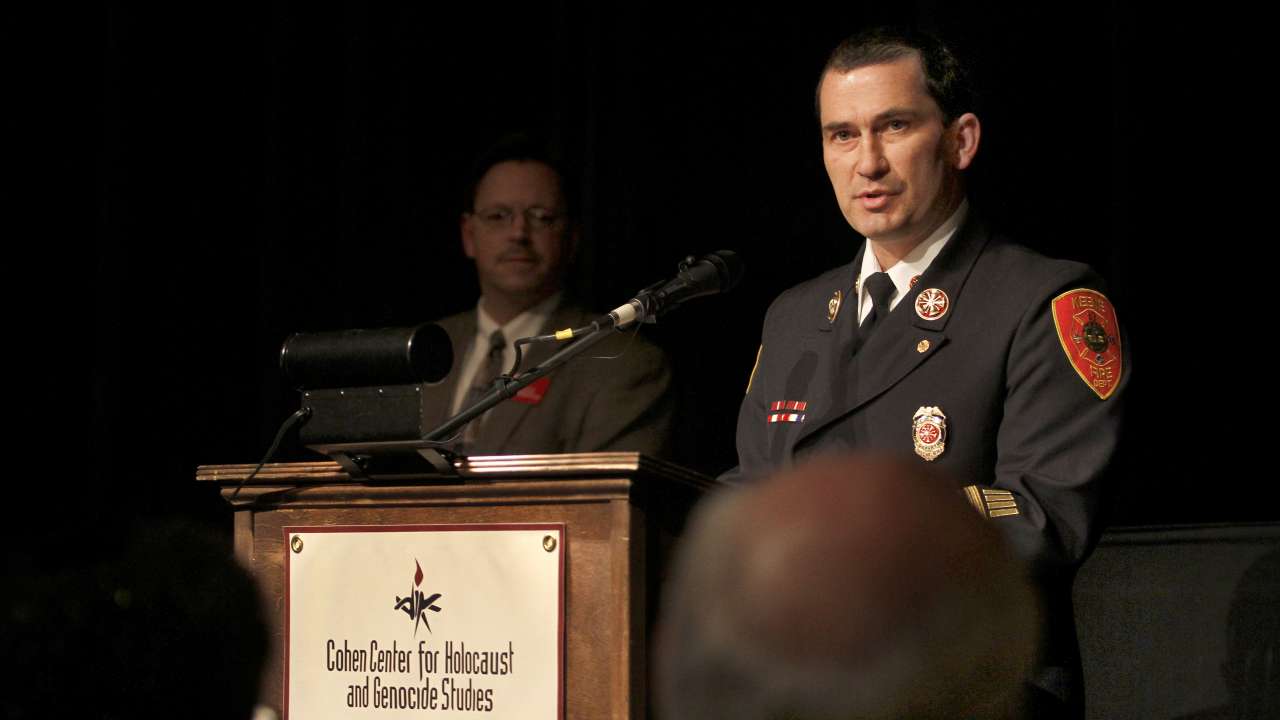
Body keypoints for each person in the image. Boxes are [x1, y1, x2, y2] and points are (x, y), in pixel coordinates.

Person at [723, 27, 1127, 717]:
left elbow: (1039, 520)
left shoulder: (1042, 301)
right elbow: (747, 491)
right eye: (842, 135)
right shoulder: (794, 316)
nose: (867, 162)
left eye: (895, 127)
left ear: (961, 141)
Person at [656, 454, 1039, 720]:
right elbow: (756, 464)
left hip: (922, 638)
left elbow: (1036, 510)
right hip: (772, 630)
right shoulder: (792, 334)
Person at [420, 135, 674, 456]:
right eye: (498, 216)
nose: (518, 233)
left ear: (572, 239)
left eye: (541, 217)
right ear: (468, 235)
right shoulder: (424, 346)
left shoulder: (623, 362)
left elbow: (604, 502)